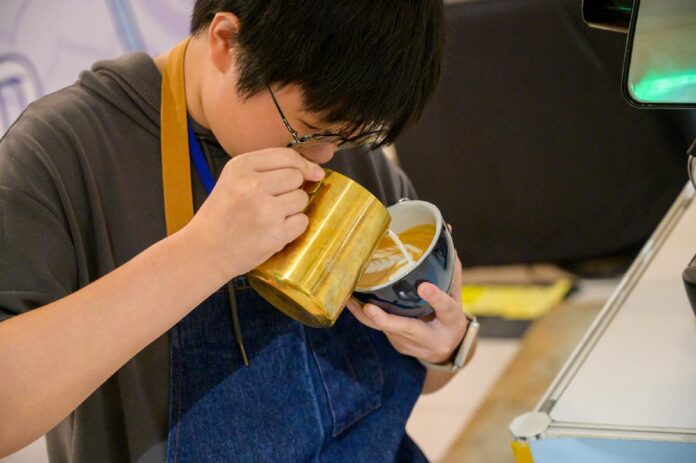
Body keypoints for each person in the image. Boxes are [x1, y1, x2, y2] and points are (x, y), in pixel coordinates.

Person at [0, 1, 475, 461]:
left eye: (349, 136)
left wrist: (445, 347)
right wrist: (205, 252)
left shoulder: (342, 146)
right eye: (311, 130)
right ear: (227, 41)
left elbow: (429, 373)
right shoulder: (62, 153)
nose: (327, 156)